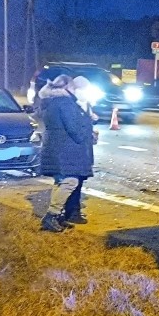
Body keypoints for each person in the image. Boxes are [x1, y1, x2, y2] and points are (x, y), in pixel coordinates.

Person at [38, 75, 96, 232]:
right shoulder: (65, 103)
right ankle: (51, 215)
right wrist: (87, 128)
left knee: (61, 182)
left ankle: (56, 217)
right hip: (65, 150)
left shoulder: (50, 101)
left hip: (56, 148)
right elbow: (75, 129)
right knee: (71, 182)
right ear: (69, 87)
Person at [61, 75, 99, 224]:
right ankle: (71, 212)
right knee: (73, 181)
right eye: (83, 90)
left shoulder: (85, 104)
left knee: (79, 180)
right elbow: (74, 129)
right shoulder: (71, 105)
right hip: (75, 149)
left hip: (83, 148)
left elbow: (86, 123)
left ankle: (71, 210)